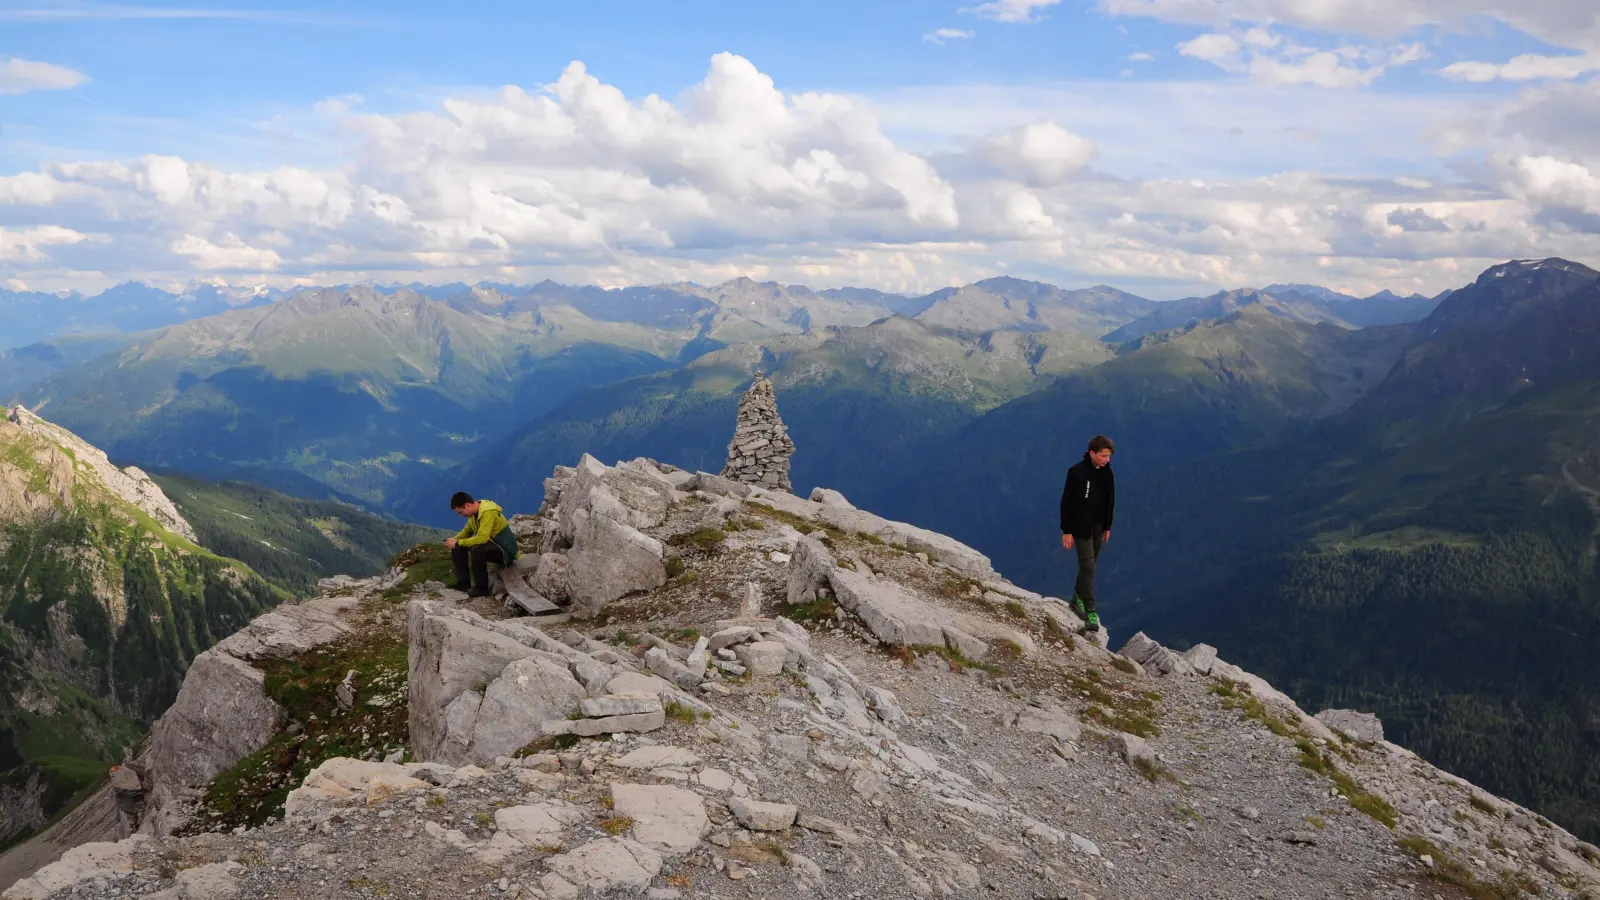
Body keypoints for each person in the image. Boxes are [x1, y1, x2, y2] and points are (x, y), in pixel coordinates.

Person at [1059, 435, 1115, 633]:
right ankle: (1090, 611)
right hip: (1080, 530)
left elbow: (1110, 501)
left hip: (1099, 529)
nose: (1107, 460)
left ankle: (1076, 599)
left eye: (1108, 456)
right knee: (1089, 568)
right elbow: (1067, 502)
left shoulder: (1107, 474)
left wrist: (1107, 526)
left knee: (1088, 567)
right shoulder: (1077, 472)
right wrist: (1066, 531)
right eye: (1103, 456)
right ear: (1092, 453)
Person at [445, 492, 520, 598]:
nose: (461, 516)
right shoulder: (474, 513)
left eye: (461, 512)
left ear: (467, 505)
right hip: (492, 545)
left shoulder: (487, 512)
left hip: (505, 552)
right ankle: (463, 584)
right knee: (458, 547)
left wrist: (458, 542)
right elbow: (467, 531)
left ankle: (482, 588)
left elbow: (482, 538)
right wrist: (454, 540)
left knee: (477, 549)